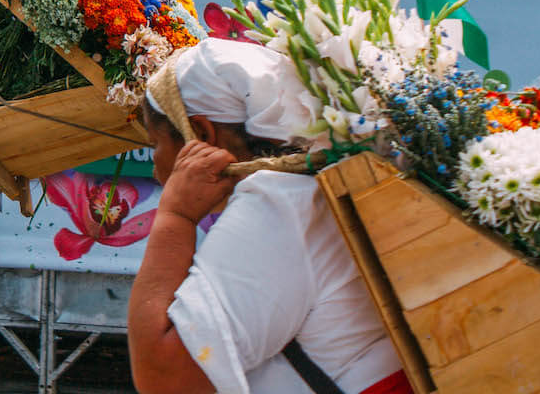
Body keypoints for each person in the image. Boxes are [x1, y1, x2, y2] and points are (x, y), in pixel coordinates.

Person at [128, 39, 409, 393]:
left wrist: (176, 216)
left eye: (155, 143)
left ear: (200, 134)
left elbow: (164, 376)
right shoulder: (314, 186)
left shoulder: (281, 205)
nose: (155, 164)